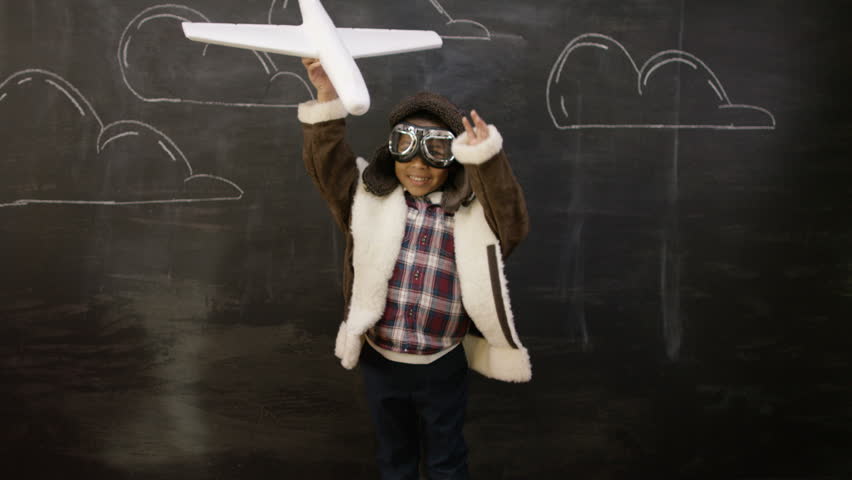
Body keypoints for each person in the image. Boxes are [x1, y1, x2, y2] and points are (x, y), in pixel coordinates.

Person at [298, 57, 531, 480]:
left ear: (453, 158)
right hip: (381, 360)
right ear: (392, 151)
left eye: (436, 152)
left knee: (446, 460)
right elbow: (328, 167)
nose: (419, 166)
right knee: (394, 458)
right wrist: (328, 97)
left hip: (443, 361)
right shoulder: (367, 202)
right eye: (406, 147)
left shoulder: (473, 216)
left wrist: (486, 160)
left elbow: (512, 221)